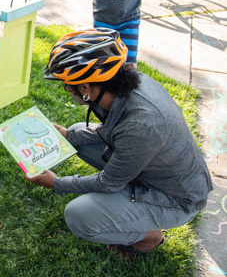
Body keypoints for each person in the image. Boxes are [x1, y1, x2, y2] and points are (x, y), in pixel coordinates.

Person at [27, 28, 212, 261]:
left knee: (78, 216)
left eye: (68, 86)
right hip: (151, 170)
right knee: (75, 132)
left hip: (174, 199)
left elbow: (108, 183)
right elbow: (112, 130)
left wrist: (58, 183)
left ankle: (148, 237)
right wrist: (67, 136)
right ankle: (131, 208)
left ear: (85, 88)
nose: (67, 90)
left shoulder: (142, 125)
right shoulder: (129, 87)